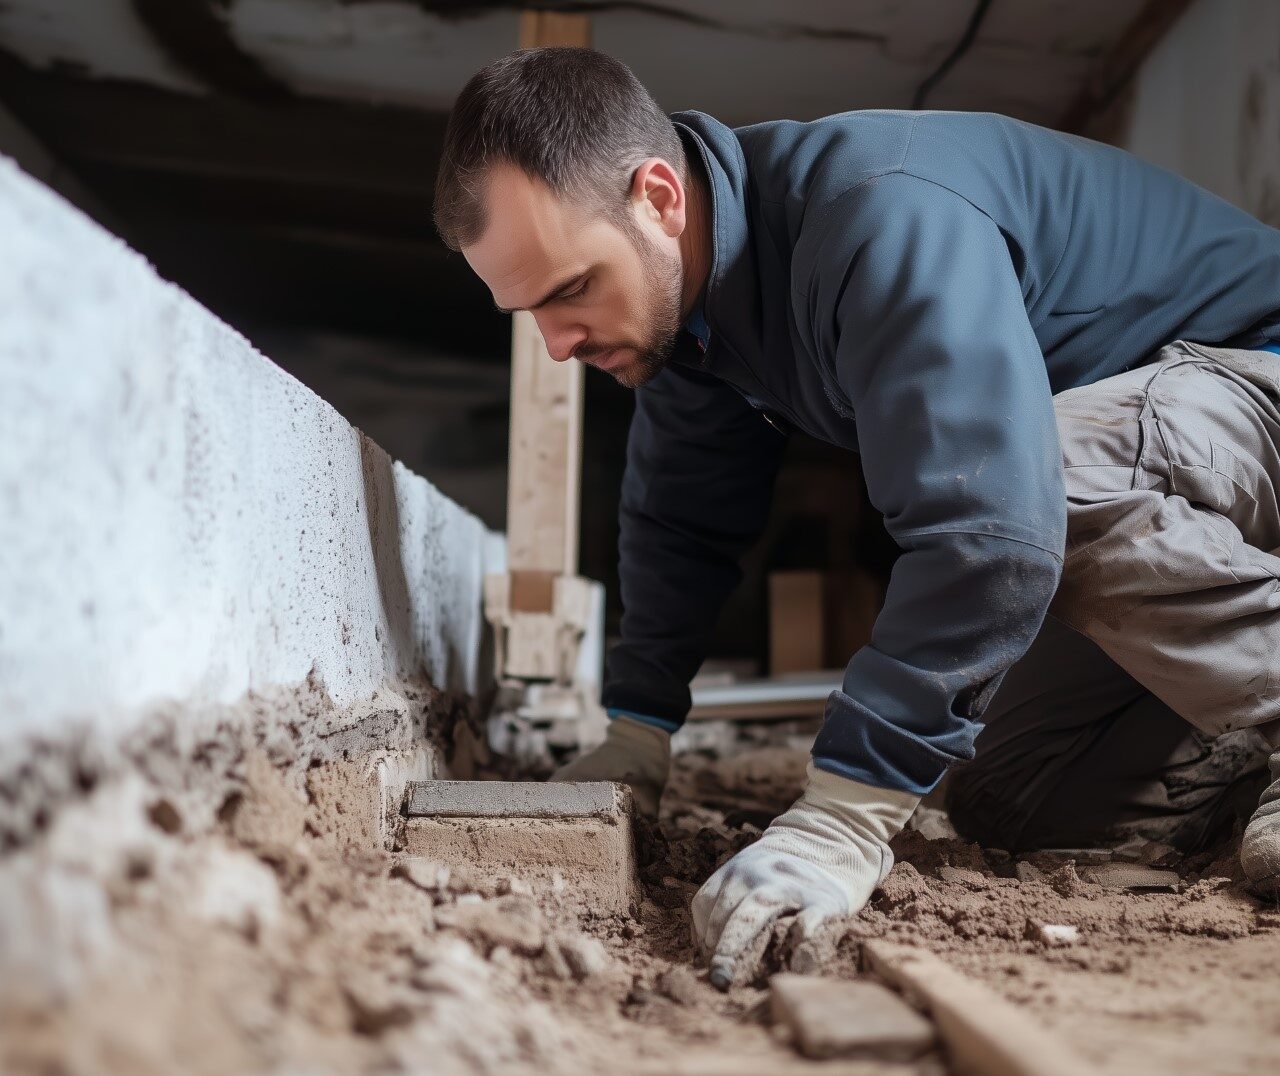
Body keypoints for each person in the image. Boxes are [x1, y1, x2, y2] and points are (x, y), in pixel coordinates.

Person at [432, 47, 1280, 988]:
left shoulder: (879, 215)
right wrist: (637, 727)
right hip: (1173, 498)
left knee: (1049, 472)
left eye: (570, 289)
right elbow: (682, 515)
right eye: (528, 313)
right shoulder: (696, 317)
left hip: (1254, 387)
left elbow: (991, 530)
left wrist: (843, 814)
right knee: (1017, 799)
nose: (556, 344)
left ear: (659, 197)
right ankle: (1244, 757)